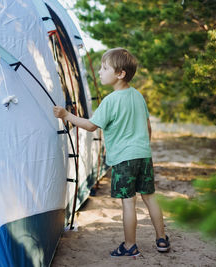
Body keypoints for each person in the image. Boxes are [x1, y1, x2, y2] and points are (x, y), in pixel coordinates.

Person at [53, 47, 170, 256]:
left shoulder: (110, 101)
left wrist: (66, 115)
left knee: (128, 202)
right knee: (150, 197)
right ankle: (162, 239)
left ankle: (129, 245)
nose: (99, 72)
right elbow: (148, 127)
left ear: (120, 73)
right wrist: (142, 146)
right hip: (143, 155)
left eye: (104, 68)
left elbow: (90, 126)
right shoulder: (138, 96)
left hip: (124, 160)